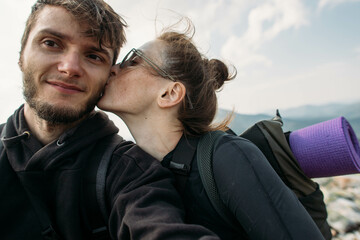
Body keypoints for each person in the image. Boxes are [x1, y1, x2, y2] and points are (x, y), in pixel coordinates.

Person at [0, 1, 221, 239]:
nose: (69, 68)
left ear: (107, 75)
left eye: (93, 56)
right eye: (51, 43)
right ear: (21, 54)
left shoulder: (130, 172)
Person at [97, 19, 326, 240]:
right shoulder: (129, 171)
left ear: (169, 94)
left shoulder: (228, 157)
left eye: (133, 60)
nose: (114, 68)